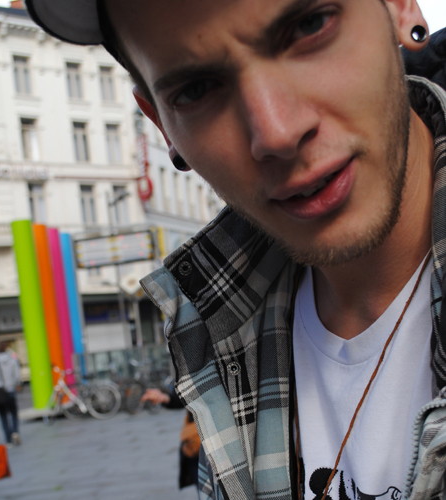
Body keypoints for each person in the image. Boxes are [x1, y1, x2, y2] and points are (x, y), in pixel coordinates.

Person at [26, 1, 446, 499]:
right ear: (161, 125)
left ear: (399, 7)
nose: (277, 132)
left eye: (309, 26)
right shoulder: (221, 337)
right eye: (197, 89)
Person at [141, 388, 200, 491]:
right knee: (205, 491)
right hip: (197, 446)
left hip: (224, 441)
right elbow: (185, 395)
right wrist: (165, 397)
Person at [0, 342, 21, 446]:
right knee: (13, 413)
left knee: (3, 417)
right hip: (10, 390)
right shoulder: (12, 360)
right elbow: (17, 375)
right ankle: (15, 431)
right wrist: (16, 384)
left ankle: (8, 439)